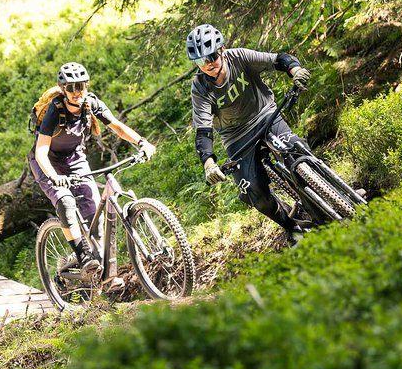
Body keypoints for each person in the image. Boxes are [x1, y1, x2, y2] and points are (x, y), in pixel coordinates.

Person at [28, 62, 156, 287]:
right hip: (47, 162)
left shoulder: (91, 103)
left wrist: (141, 142)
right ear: (63, 89)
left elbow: (116, 126)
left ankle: (105, 275)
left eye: (82, 86)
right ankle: (83, 256)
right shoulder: (54, 110)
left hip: (75, 159)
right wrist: (54, 176)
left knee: (93, 213)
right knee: (66, 202)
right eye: (72, 87)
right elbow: (40, 151)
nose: (78, 92)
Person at [187, 24, 314, 245]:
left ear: (222, 50)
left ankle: (337, 191)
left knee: (296, 150)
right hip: (236, 137)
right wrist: (208, 162)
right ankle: (292, 228)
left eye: (211, 57)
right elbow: (203, 130)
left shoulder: (240, 57)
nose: (207, 65)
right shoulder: (200, 87)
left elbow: (278, 59)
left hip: (266, 115)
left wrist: (295, 71)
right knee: (255, 194)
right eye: (200, 61)